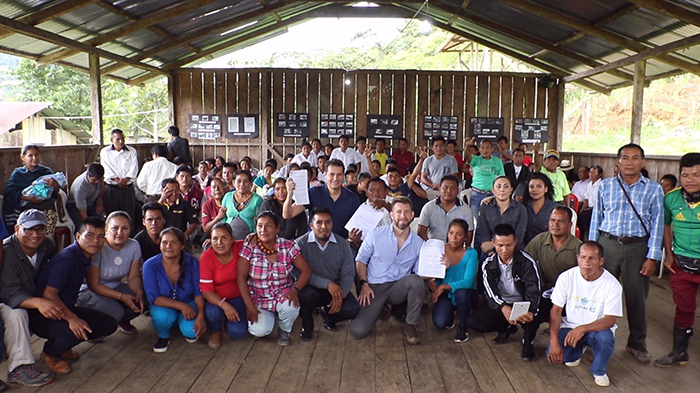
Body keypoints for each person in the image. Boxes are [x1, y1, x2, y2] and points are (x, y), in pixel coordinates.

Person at [588, 143, 664, 364]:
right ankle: (593, 339)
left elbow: (658, 225)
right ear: (617, 162)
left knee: (637, 298)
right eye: (625, 158)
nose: (630, 162)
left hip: (637, 248)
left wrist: (652, 257)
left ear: (643, 162)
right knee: (598, 295)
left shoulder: (653, 189)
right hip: (607, 245)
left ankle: (637, 344)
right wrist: (591, 251)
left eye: (635, 158)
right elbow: (596, 220)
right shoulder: (606, 186)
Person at [31, 216, 118, 374]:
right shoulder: (67, 259)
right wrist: (72, 318)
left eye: (100, 236)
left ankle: (64, 346)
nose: (96, 241)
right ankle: (51, 353)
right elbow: (49, 295)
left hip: (66, 308)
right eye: (90, 235)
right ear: (78, 237)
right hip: (43, 315)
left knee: (108, 324)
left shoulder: (85, 256)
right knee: (76, 328)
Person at [547, 241, 623, 387]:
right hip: (570, 327)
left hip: (597, 329)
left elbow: (610, 320)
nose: (586, 263)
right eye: (583, 257)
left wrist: (582, 329)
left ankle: (599, 370)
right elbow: (556, 310)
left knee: (605, 339)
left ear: (601, 261)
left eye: (592, 258)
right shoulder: (566, 277)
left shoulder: (612, 284)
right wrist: (554, 341)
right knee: (557, 356)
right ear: (577, 258)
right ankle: (577, 350)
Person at [350, 197, 425, 344]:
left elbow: (419, 273)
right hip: (373, 288)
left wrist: (441, 268)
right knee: (357, 331)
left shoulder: (418, 243)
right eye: (398, 212)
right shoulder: (376, 234)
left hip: (398, 288)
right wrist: (364, 284)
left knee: (416, 281)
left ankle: (411, 325)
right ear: (391, 215)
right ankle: (380, 308)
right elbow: (360, 261)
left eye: (406, 212)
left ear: (412, 215)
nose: (402, 216)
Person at [467, 224, 544, 361]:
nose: (504, 250)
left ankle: (528, 344)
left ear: (515, 242)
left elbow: (534, 289)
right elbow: (490, 292)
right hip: (502, 302)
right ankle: (506, 327)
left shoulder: (527, 262)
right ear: (493, 243)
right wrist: (503, 307)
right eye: (500, 245)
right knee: (474, 321)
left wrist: (531, 310)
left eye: (509, 245)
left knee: (533, 317)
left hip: (522, 302)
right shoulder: (488, 264)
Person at [237, 211, 312, 346]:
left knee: (291, 307)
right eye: (259, 226)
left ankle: (284, 329)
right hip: (258, 297)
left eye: (268, 226)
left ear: (278, 228)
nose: (263, 230)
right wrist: (249, 306)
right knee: (259, 331)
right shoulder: (250, 246)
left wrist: (295, 289)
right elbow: (240, 278)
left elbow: (306, 270)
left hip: (282, 293)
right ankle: (269, 317)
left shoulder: (288, 246)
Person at [0, 210, 55, 387]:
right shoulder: (7, 251)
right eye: (29, 230)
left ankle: (58, 349)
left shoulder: (48, 245)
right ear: (17, 229)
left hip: (32, 296)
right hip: (7, 299)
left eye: (40, 229)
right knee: (17, 314)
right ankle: (19, 368)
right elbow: (8, 293)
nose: (35, 235)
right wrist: (39, 302)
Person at [655, 153, 700, 367]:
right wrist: (669, 255)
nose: (690, 179)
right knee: (683, 308)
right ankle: (680, 352)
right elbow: (665, 225)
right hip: (681, 264)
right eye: (685, 175)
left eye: (697, 175)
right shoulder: (671, 198)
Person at [295, 207, 359, 341]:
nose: (324, 226)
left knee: (352, 309)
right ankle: (307, 325)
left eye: (328, 222)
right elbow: (297, 273)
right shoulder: (300, 243)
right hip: (311, 288)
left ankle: (329, 317)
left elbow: (348, 274)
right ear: (311, 225)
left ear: (332, 224)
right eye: (319, 222)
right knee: (306, 295)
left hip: (334, 290)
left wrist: (340, 296)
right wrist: (326, 283)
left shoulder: (342, 244)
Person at [77, 211, 144, 335]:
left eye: (125, 228)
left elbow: (133, 276)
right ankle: (93, 332)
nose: (120, 232)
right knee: (115, 312)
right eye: (115, 228)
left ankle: (123, 321)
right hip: (89, 291)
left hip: (114, 287)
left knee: (142, 299)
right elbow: (94, 285)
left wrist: (139, 293)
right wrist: (122, 297)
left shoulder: (134, 245)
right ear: (106, 230)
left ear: (130, 230)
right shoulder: (99, 246)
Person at [143, 227, 205, 353]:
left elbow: (198, 291)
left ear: (182, 245)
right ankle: (163, 336)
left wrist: (201, 316)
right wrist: (181, 306)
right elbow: (153, 297)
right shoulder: (150, 265)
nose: (168, 246)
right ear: (159, 245)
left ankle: (180, 322)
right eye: (164, 242)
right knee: (162, 317)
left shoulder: (192, 262)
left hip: (189, 301)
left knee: (192, 332)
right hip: (164, 305)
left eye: (174, 242)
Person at [429, 219, 479, 343]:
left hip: (467, 294)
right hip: (447, 294)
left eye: (459, 234)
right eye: (451, 233)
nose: (454, 237)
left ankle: (463, 327)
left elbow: (467, 282)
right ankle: (451, 313)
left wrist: (443, 287)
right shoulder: (440, 251)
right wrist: (434, 285)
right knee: (440, 323)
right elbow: (437, 281)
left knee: (461, 293)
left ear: (465, 237)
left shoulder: (471, 253)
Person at [284, 159, 360, 239]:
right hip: (314, 245)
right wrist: (289, 194)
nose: (335, 178)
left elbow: (357, 227)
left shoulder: (353, 199)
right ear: (325, 175)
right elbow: (288, 214)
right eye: (332, 174)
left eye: (339, 175)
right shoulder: (313, 193)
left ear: (343, 176)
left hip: (340, 247)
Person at [200, 223, 247, 349]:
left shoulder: (240, 247)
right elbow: (206, 291)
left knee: (238, 333)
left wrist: (253, 235)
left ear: (232, 239)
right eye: (215, 239)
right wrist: (225, 306)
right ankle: (216, 331)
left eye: (224, 238)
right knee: (213, 313)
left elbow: (259, 240)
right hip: (215, 300)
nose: (219, 243)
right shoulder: (207, 257)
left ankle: (226, 323)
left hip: (237, 297)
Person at [3, 145, 60, 236]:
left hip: (45, 207)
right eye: (30, 155)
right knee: (27, 228)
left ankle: (45, 245)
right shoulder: (18, 174)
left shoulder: (46, 172)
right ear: (23, 158)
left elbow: (54, 193)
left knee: (48, 220)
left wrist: (55, 185)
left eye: (37, 155)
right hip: (25, 208)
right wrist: (25, 198)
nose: (34, 158)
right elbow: (9, 192)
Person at [525, 207, 581, 293]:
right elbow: (525, 262)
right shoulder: (540, 239)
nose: (555, 224)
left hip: (570, 292)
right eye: (552, 220)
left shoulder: (578, 247)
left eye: (561, 221)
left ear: (569, 225)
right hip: (543, 291)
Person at [475, 176, 527, 255]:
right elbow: (484, 233)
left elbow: (519, 236)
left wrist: (498, 245)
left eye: (506, 187)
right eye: (498, 187)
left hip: (514, 249)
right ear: (493, 190)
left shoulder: (520, 209)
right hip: (491, 250)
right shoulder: (485, 207)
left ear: (511, 190)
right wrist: (490, 252)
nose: (502, 190)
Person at [418, 175, 474, 245]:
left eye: (453, 188)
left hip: (456, 248)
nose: (449, 191)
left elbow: (469, 235)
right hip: (433, 247)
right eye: (445, 187)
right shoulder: (428, 207)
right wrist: (431, 246)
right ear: (439, 189)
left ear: (457, 191)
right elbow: (421, 233)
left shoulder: (465, 210)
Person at [100, 129, 139, 219]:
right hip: (111, 188)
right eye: (117, 139)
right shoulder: (105, 152)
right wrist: (117, 180)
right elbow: (106, 168)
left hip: (127, 188)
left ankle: (130, 233)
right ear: (111, 140)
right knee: (112, 215)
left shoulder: (132, 151)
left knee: (129, 215)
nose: (121, 142)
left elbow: (134, 168)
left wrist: (125, 180)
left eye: (122, 139)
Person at [463, 137, 505, 220]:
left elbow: (501, 178)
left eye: (487, 147)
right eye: (482, 147)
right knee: (476, 220)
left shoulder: (497, 161)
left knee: (492, 219)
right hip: (477, 194)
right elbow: (467, 157)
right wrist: (467, 146)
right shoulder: (475, 159)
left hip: (492, 195)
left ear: (492, 149)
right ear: (479, 149)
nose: (485, 150)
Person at [221, 170, 263, 240]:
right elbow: (222, 218)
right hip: (228, 235)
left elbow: (259, 221)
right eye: (239, 181)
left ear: (250, 183)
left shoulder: (257, 199)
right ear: (233, 182)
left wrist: (255, 235)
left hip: (248, 237)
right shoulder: (227, 196)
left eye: (246, 181)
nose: (242, 184)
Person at [66, 163, 104, 232]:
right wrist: (88, 225)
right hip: (75, 206)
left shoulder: (99, 179)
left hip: (91, 203)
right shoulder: (80, 187)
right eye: (94, 180)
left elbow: (102, 189)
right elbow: (82, 211)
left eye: (99, 179)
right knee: (81, 227)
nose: (97, 182)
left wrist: (99, 203)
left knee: (101, 222)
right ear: (88, 175)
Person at [522, 173, 558, 244]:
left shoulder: (555, 209)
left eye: (539, 186)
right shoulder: (522, 207)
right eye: (531, 187)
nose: (535, 189)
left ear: (546, 189)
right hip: (525, 248)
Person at [421, 136, 459, 200]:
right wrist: (432, 185)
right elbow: (423, 177)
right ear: (432, 147)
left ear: (445, 147)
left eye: (441, 145)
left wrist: (443, 186)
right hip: (430, 191)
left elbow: (454, 177)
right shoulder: (428, 160)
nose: (439, 148)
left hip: (446, 191)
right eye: (436, 146)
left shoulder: (452, 160)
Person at [579, 165, 603, 240]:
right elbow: (586, 199)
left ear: (599, 175)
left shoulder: (601, 185)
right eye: (590, 172)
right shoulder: (589, 184)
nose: (591, 174)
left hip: (597, 209)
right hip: (589, 208)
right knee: (580, 215)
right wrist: (583, 209)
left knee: (585, 216)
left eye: (594, 172)